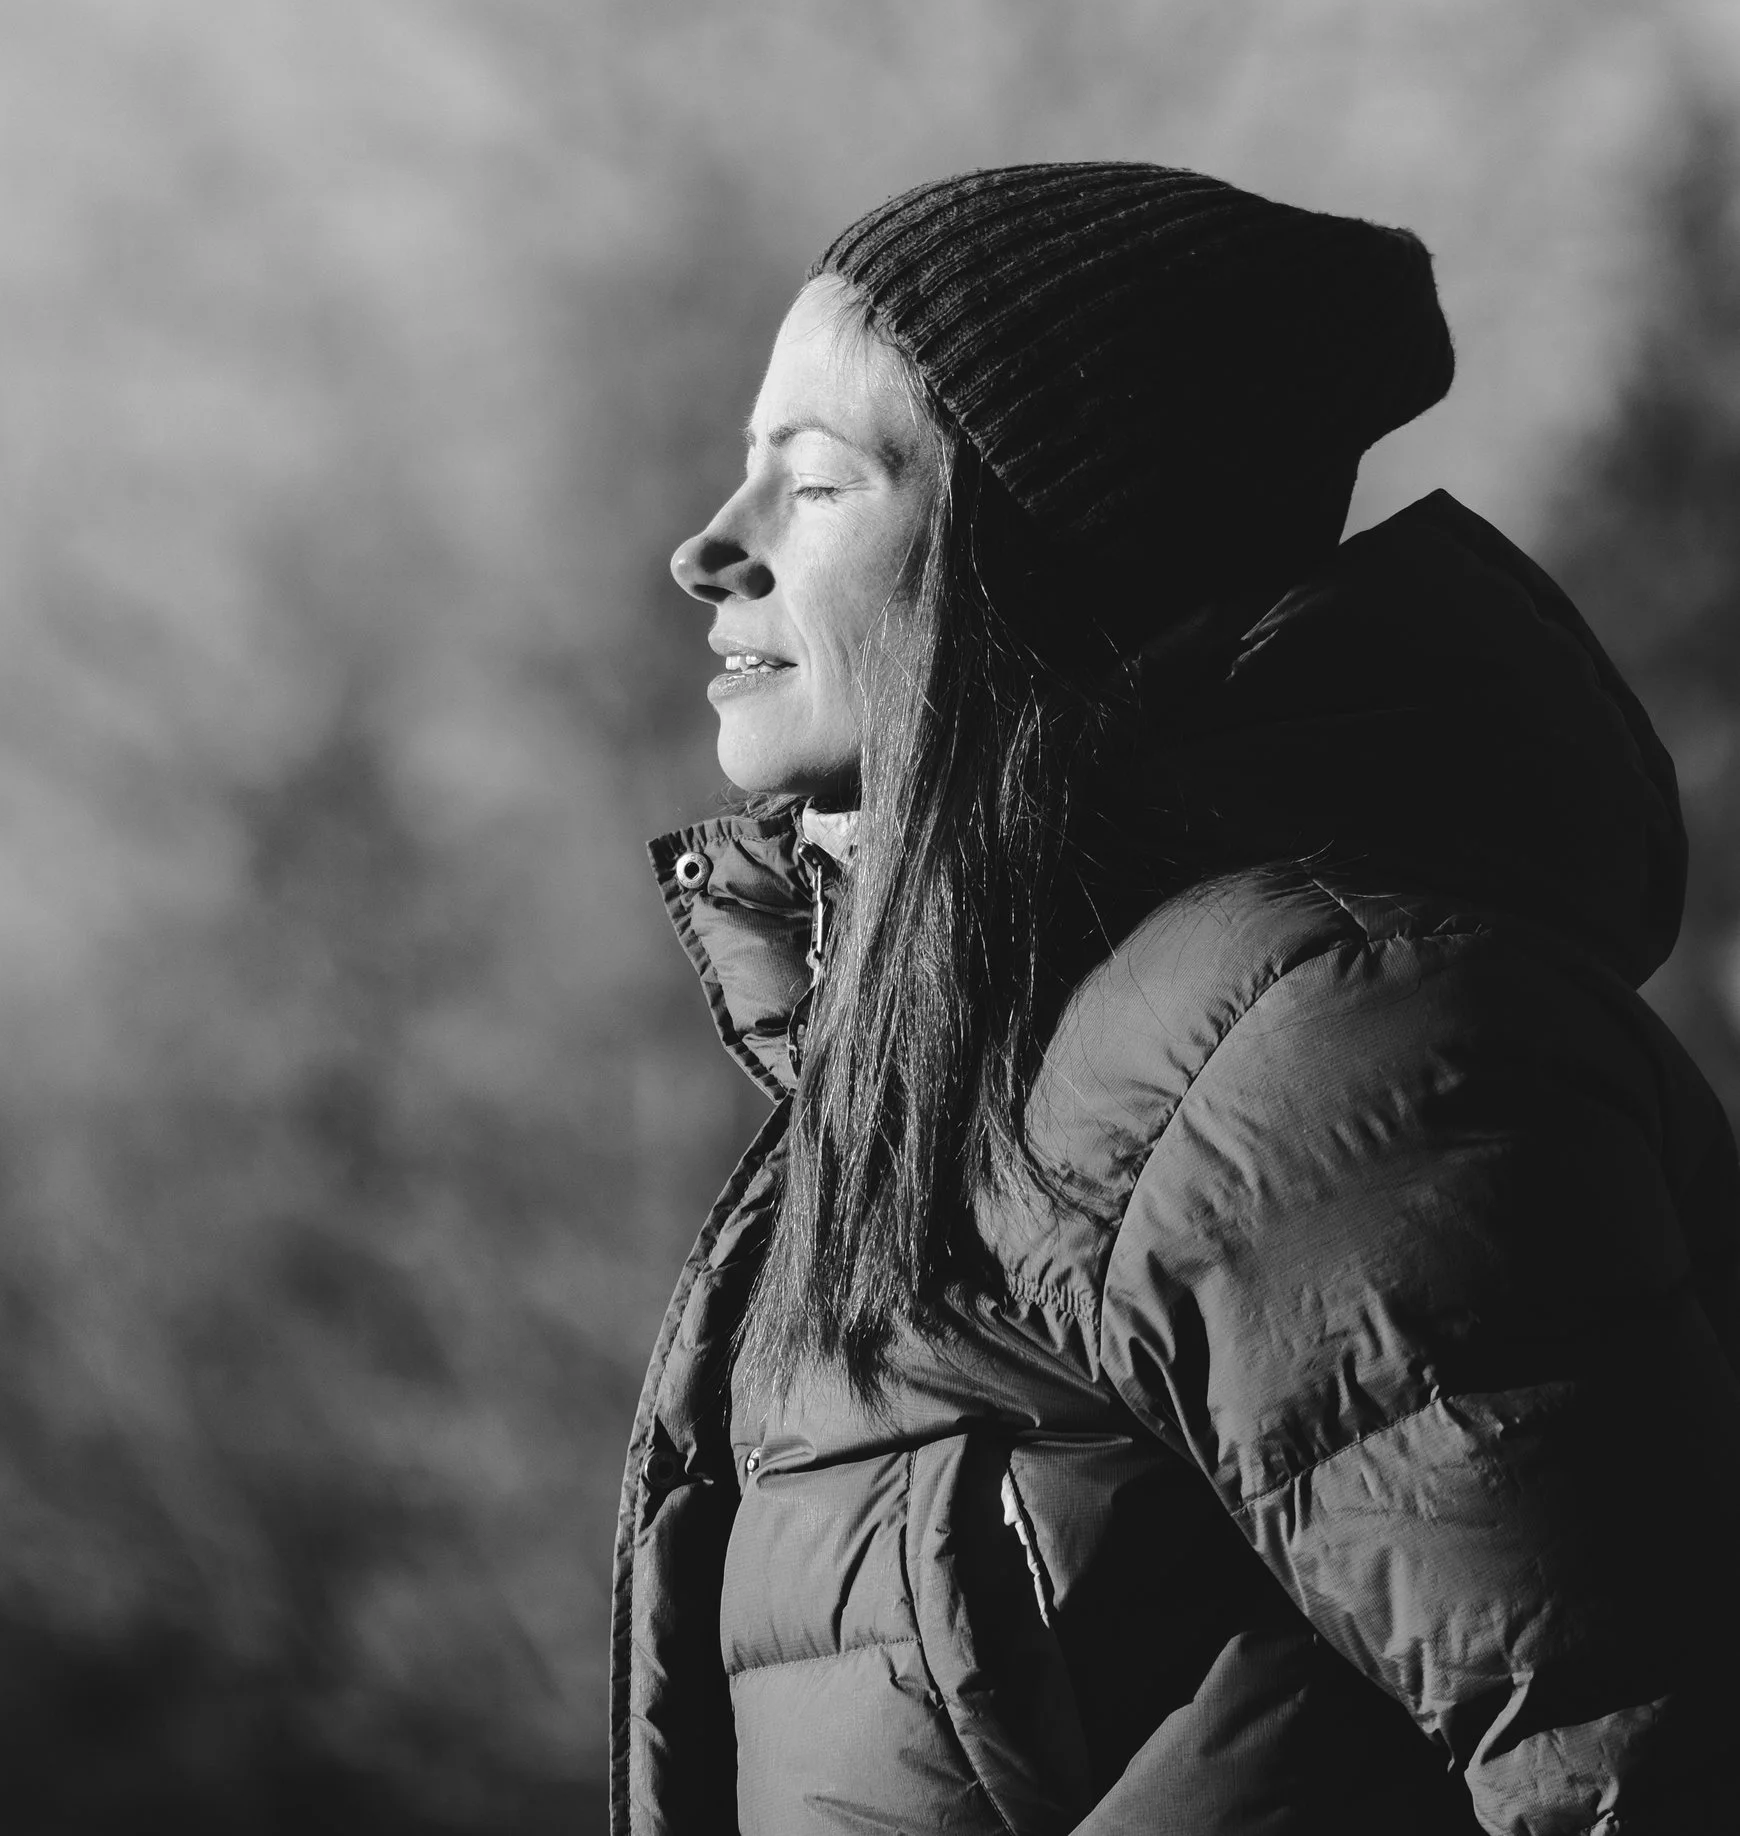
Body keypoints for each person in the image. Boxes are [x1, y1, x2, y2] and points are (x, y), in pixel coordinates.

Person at [616, 162, 1740, 1836]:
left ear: (1048, 554)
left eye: (818, 483)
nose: (712, 547)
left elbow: (1627, 1754)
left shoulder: (1317, 1055)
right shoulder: (943, 1068)